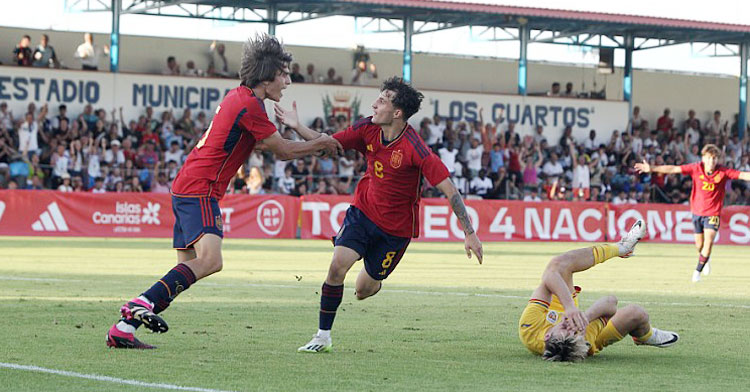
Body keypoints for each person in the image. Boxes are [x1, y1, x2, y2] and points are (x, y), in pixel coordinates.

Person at [105, 33, 343, 349]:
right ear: (268, 75)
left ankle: (123, 327)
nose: (287, 81)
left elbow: (266, 144)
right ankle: (142, 302)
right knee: (211, 261)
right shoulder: (250, 105)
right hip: (200, 189)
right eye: (284, 74)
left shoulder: (241, 98)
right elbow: (283, 151)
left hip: (188, 186)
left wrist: (308, 136)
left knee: (186, 268)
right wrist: (320, 142)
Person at [276, 77, 483, 353]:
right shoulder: (367, 128)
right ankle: (322, 336)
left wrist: (469, 232)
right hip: (362, 212)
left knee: (363, 290)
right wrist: (297, 127)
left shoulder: (416, 148)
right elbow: (329, 144)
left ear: (397, 113)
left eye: (382, 100)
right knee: (337, 266)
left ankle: (374, 281)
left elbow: (450, 190)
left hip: (395, 232)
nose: (374, 104)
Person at [520, 220, 680, 362]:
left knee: (558, 264)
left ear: (548, 335)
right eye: (574, 331)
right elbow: (611, 302)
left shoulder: (530, 328)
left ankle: (622, 248)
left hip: (564, 308)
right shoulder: (583, 335)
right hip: (588, 339)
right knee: (637, 314)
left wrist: (569, 307)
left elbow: (549, 276)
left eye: (563, 328)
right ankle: (646, 336)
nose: (570, 326)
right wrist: (586, 318)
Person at [635, 144, 750, 282]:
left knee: (708, 242)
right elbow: (673, 169)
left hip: (713, 213)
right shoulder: (696, 168)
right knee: (699, 245)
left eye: (714, 158)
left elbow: (742, 175)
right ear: (703, 158)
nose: (711, 161)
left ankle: (697, 272)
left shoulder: (723, 172)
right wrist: (652, 168)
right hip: (697, 211)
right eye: (709, 158)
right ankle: (705, 259)